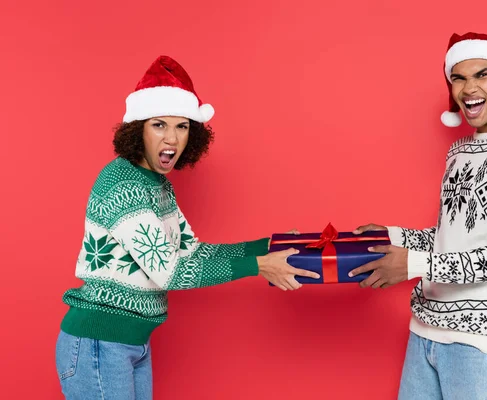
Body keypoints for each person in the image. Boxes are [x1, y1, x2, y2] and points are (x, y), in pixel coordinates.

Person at [55, 55, 319, 399]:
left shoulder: (156, 184)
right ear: (138, 129)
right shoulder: (123, 184)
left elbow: (190, 251)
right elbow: (169, 270)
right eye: (159, 125)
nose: (172, 138)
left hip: (130, 343)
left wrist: (266, 246)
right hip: (100, 345)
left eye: (182, 126)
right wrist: (257, 265)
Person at [349, 32, 487, 399]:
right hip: (425, 331)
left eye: (482, 74)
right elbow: (451, 237)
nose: (468, 88)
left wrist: (412, 264)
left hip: (479, 345)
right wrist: (393, 236)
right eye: (458, 78)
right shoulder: (460, 151)